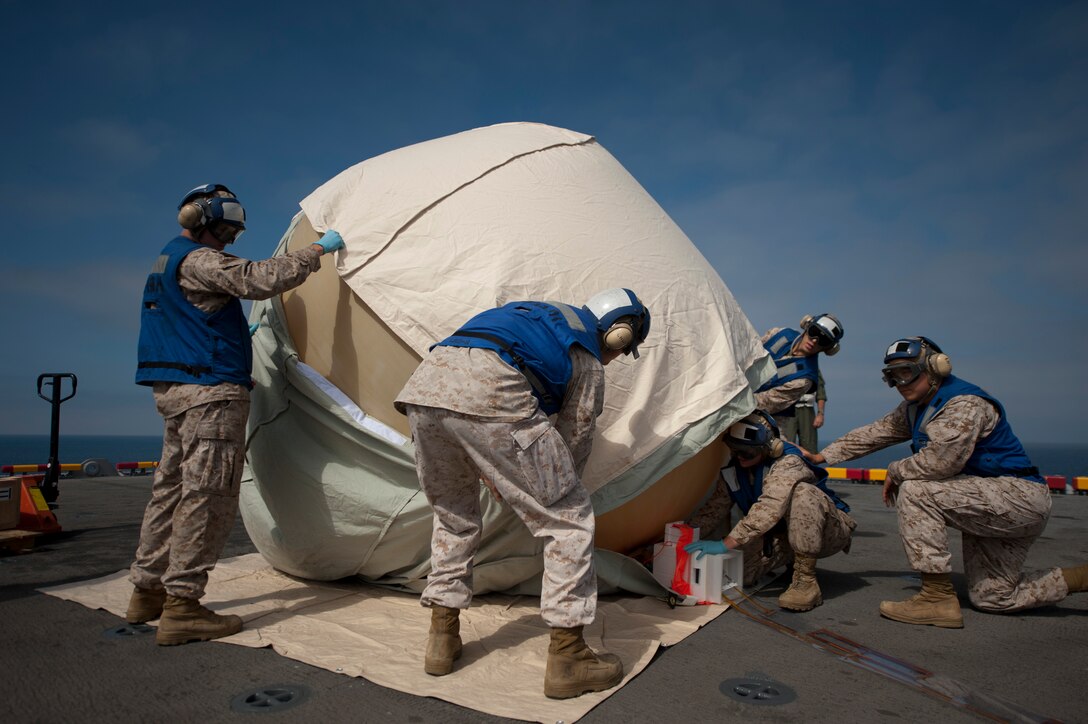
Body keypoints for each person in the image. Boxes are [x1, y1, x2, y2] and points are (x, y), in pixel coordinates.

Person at [394, 288, 650, 699]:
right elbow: (575, 438)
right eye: (623, 349)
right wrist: (552, 489)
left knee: (454, 518)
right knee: (568, 522)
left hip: (424, 390)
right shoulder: (586, 354)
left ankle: (442, 638)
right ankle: (569, 658)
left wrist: (501, 467)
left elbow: (473, 397)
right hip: (493, 393)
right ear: (620, 333)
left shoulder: (540, 314)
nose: (617, 357)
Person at [128, 183, 345, 645]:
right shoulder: (199, 260)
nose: (228, 241)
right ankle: (183, 606)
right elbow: (259, 279)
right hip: (210, 395)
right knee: (207, 498)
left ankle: (146, 591)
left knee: (170, 491)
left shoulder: (166, 262)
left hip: (178, 392)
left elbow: (195, 318)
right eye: (225, 230)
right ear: (200, 219)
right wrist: (317, 251)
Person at [808, 336, 1088, 627]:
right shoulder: (916, 406)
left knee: (916, 491)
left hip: (1017, 497)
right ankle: (1080, 577)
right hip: (988, 502)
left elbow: (940, 462)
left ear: (936, 368)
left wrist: (896, 469)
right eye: (892, 376)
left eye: (906, 372)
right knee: (993, 597)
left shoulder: (963, 404)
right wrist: (823, 455)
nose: (900, 383)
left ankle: (936, 597)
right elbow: (877, 432)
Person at [684, 410, 855, 611]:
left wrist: (725, 544)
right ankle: (792, 556)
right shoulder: (734, 471)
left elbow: (769, 507)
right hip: (784, 533)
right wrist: (681, 538)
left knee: (803, 493)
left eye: (746, 452)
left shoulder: (788, 462)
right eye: (734, 450)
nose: (739, 457)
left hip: (829, 531)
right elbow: (713, 510)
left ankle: (806, 581)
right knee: (743, 574)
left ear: (769, 448)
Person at [755, 315, 843, 432]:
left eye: (823, 340)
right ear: (806, 326)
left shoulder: (804, 378)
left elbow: (764, 402)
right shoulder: (780, 334)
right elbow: (749, 353)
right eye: (814, 332)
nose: (815, 340)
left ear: (828, 349)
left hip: (761, 418)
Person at [780, 371, 827, 452]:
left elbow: (821, 393)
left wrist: (820, 414)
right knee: (787, 443)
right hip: (787, 409)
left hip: (807, 410)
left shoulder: (812, 368)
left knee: (809, 446)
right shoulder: (785, 366)